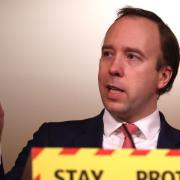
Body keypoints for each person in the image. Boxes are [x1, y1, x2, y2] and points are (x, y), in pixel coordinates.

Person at [1, 6, 180, 179]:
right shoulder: (51, 140)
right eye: (108, 53)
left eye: (132, 56)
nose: (114, 68)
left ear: (163, 76)